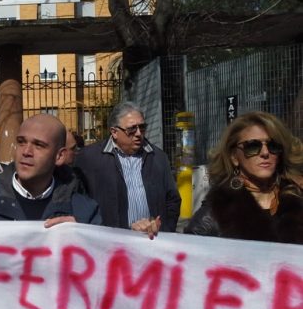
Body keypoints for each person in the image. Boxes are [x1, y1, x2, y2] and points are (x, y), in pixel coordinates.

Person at [0, 114, 101, 226]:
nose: (26, 151)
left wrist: (81, 240)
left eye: (39, 145)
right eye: (21, 142)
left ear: (59, 156)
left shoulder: (84, 212)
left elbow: (101, 260)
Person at [185, 111, 303, 243]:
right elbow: (185, 256)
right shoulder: (214, 214)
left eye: (273, 146)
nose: (265, 153)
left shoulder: (297, 199)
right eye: (252, 146)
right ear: (234, 157)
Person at [75, 101, 180, 238]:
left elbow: (172, 200)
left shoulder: (158, 158)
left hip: (152, 241)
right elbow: (79, 200)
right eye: (132, 129)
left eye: (142, 128)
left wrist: (164, 229)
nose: (138, 134)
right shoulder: (89, 158)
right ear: (114, 132)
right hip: (109, 243)